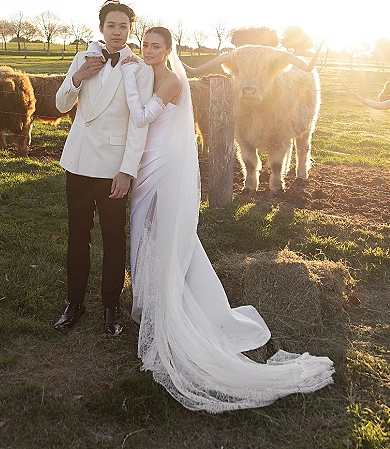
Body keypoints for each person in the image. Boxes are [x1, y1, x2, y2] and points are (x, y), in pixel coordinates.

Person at [121, 26, 334, 412]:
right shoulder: (148, 72)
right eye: (146, 46)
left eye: (157, 46)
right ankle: (150, 292)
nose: (149, 51)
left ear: (169, 50)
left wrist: (126, 79)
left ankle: (164, 300)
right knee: (142, 226)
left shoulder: (168, 81)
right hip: (146, 160)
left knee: (164, 228)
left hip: (163, 162)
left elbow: (139, 116)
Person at [53, 0, 153, 336]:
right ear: (101, 28)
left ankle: (110, 306)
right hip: (78, 162)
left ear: (130, 30)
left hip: (113, 167)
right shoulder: (82, 59)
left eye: (123, 26)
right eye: (111, 25)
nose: (117, 31)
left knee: (113, 239)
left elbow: (139, 125)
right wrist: (78, 78)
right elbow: (61, 104)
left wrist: (127, 170)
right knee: (77, 236)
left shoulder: (140, 69)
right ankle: (74, 303)